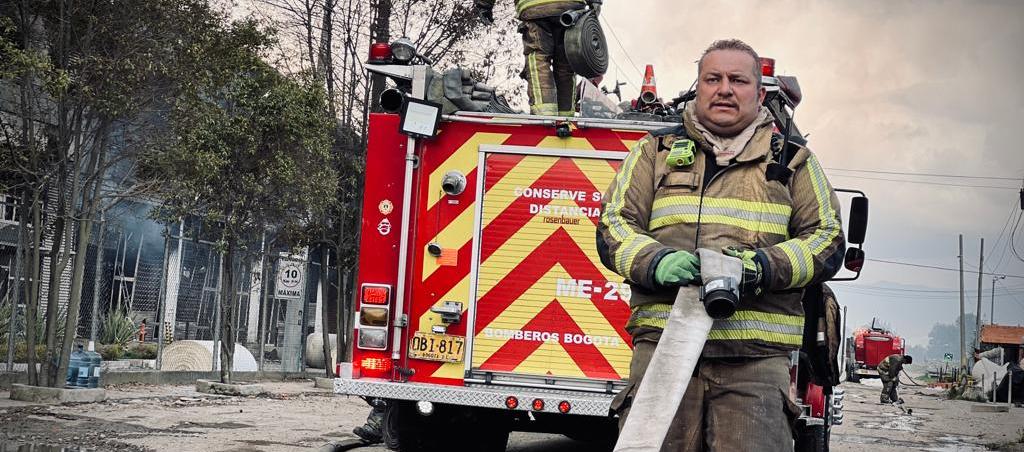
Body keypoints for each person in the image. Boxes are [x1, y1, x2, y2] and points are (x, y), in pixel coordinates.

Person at [597, 39, 846, 450]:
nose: (724, 89)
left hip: (755, 362)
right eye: (712, 78)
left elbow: (828, 240)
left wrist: (760, 267)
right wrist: (656, 261)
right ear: (698, 87)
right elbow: (612, 224)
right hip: (664, 352)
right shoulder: (653, 152)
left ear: (759, 93)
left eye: (737, 80)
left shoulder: (794, 161)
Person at [473, 0, 601, 116]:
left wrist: (484, 5)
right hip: (570, 7)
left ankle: (545, 114)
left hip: (535, 8)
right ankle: (565, 118)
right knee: (566, 64)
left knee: (538, 58)